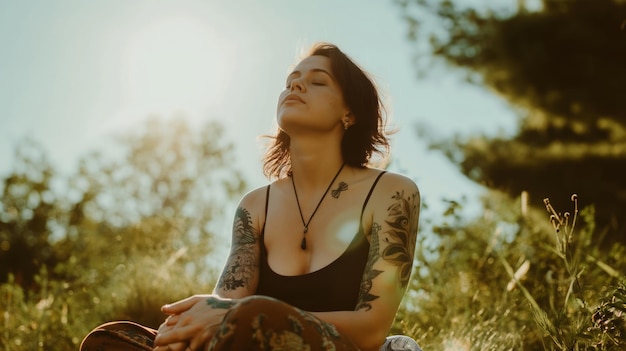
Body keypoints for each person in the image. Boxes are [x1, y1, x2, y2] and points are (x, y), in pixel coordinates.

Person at [80, 42, 421, 351]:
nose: (295, 85)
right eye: (290, 81)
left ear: (350, 113)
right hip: (245, 339)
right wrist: (188, 327)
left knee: (253, 315)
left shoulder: (392, 193)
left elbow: (370, 330)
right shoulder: (256, 206)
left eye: (318, 81)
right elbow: (226, 305)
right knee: (109, 341)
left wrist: (246, 313)